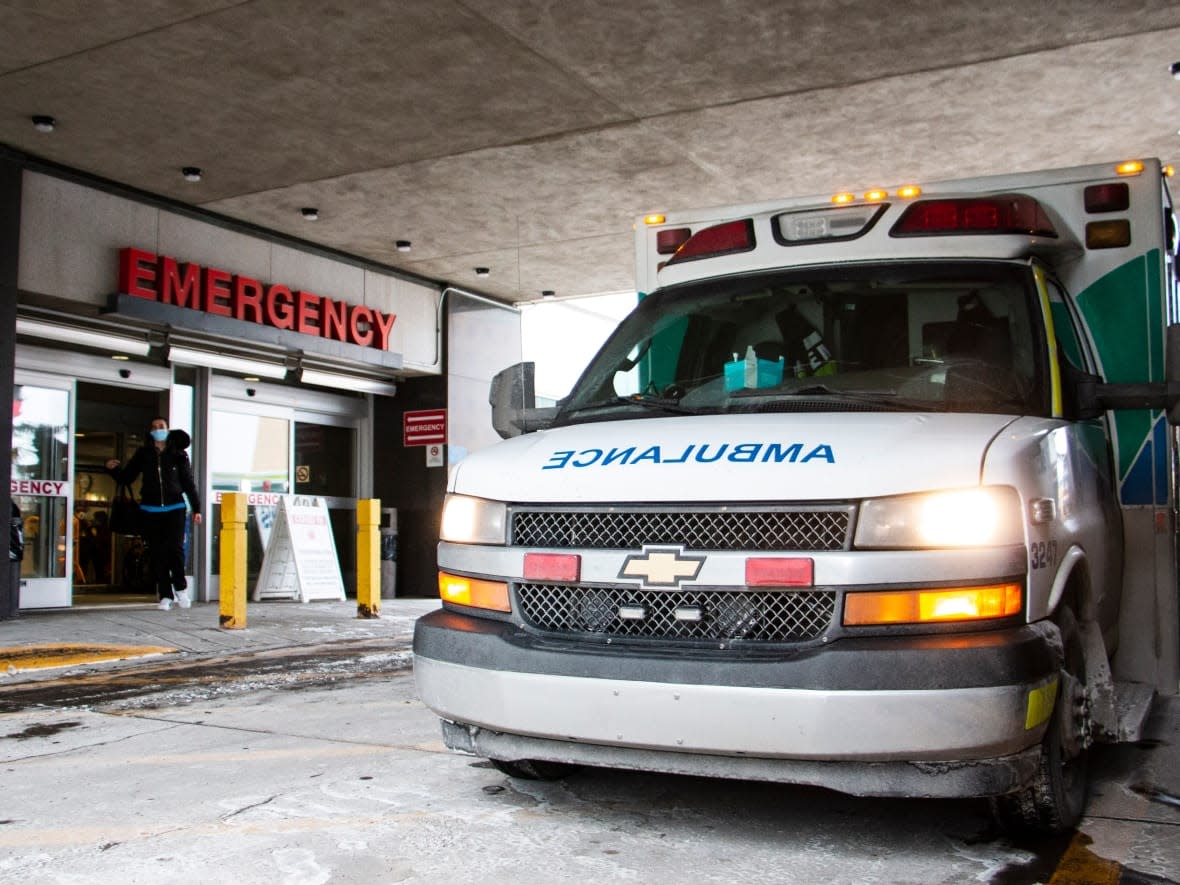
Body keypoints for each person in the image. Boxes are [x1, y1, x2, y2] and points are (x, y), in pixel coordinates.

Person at [106, 418, 202, 611]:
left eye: (162, 427)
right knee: (157, 552)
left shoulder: (179, 455)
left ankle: (181, 588)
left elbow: (188, 482)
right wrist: (112, 469)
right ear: (150, 432)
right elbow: (127, 477)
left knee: (175, 549)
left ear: (167, 430)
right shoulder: (143, 454)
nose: (158, 429)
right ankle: (165, 595)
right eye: (155, 427)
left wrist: (197, 508)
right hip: (150, 510)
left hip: (175, 508)